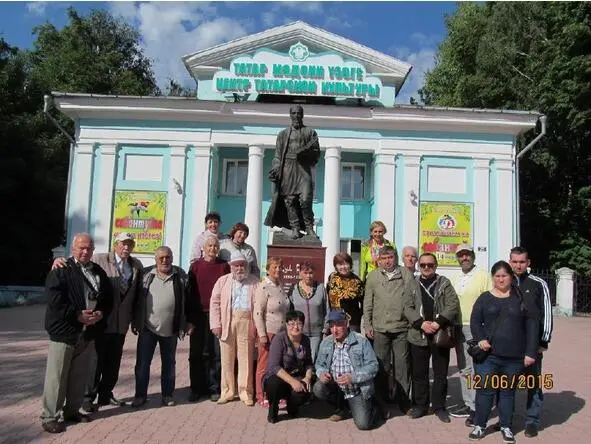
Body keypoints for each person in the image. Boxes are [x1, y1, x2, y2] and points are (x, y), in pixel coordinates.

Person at [51, 232, 143, 412]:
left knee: (113, 361)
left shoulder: (136, 265)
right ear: (115, 244)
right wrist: (58, 261)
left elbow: (138, 296)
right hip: (100, 321)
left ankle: (106, 394)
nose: (126, 247)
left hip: (121, 322)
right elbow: (79, 263)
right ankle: (88, 397)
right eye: (123, 243)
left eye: (130, 244)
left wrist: (136, 320)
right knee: (95, 361)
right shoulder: (100, 259)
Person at [40, 233, 112, 433]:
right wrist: (77, 315)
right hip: (65, 332)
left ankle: (72, 410)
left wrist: (100, 313)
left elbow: (108, 298)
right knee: (57, 377)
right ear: (73, 249)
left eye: (89, 248)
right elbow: (55, 301)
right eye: (81, 247)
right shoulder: (61, 269)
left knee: (78, 376)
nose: (85, 251)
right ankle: (50, 416)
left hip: (87, 333)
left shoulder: (98, 271)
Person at [468, 261, 539, 443]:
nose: (501, 279)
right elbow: (475, 321)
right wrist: (481, 338)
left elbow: (532, 326)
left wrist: (531, 353)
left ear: (511, 277)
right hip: (488, 356)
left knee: (507, 392)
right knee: (485, 391)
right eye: (497, 276)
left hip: (514, 357)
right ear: (493, 278)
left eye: (504, 276)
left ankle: (506, 426)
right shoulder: (485, 298)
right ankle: (479, 425)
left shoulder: (522, 298)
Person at [405, 253, 460, 423]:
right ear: (419, 266)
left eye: (430, 265)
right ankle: (420, 405)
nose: (426, 268)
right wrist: (420, 323)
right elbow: (407, 306)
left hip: (439, 335)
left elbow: (453, 304)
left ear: (435, 266)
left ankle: (439, 406)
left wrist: (437, 323)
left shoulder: (444, 282)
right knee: (419, 373)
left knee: (441, 373)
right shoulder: (412, 283)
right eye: (423, 265)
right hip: (418, 334)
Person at [131, 246, 188, 408]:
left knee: (169, 363)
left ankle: (168, 395)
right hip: (148, 328)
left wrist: (186, 323)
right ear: (155, 259)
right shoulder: (146, 275)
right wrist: (136, 321)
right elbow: (136, 300)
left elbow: (187, 300)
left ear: (172, 258)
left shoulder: (180, 276)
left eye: (168, 257)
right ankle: (140, 395)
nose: (165, 260)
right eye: (161, 257)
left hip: (171, 329)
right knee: (142, 364)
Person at [364, 245, 414, 414]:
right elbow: (368, 303)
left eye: (390, 257)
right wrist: (368, 325)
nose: (387, 261)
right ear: (379, 260)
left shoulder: (405, 274)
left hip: (401, 328)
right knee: (381, 367)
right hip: (380, 329)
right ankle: (382, 402)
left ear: (395, 258)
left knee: (402, 367)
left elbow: (411, 300)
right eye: (384, 258)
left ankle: (404, 402)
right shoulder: (372, 277)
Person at [509, 246, 553, 438]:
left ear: (528, 263)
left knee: (533, 384)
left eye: (522, 262)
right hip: (508, 345)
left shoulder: (538, 283)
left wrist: (544, 340)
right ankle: (506, 421)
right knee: (506, 384)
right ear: (510, 262)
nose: (518, 265)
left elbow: (547, 313)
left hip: (532, 344)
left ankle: (532, 422)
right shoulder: (504, 282)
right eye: (515, 261)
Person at [449, 244, 493, 424]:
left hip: (475, 328)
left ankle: (478, 406)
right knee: (464, 368)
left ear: (473, 257)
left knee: (477, 369)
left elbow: (490, 301)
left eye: (467, 255)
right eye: (461, 255)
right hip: (458, 326)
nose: (464, 258)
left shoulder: (483, 275)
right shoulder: (456, 277)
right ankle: (469, 403)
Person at [313, 311, 380, 430]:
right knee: (318, 388)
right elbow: (319, 364)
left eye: (338, 325)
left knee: (363, 424)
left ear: (346, 323)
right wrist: (322, 373)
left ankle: (374, 406)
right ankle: (342, 408)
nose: (335, 330)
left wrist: (353, 377)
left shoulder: (361, 341)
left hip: (356, 389)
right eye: (332, 326)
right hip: (336, 388)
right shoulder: (327, 342)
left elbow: (373, 365)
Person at [210, 250, 260, 406]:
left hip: (247, 321)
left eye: (242, 265)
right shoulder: (222, 281)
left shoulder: (255, 282)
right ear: (231, 267)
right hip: (227, 321)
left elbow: (259, 306)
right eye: (236, 266)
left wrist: (258, 328)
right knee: (227, 358)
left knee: (246, 358)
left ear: (246, 266)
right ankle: (227, 391)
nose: (239, 269)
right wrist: (216, 324)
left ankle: (245, 392)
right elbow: (215, 303)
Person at [264, 104, 321, 240]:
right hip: (287, 168)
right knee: (290, 200)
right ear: (290, 115)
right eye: (294, 113)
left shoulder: (310, 132)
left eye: (299, 113)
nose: (296, 116)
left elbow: (316, 153)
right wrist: (275, 169)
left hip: (302, 167)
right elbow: (278, 155)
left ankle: (309, 228)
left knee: (306, 199)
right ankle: (295, 228)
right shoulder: (283, 134)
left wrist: (307, 153)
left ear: (302, 115)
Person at [186, 235, 230, 402]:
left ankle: (214, 387)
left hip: (217, 315)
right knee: (196, 353)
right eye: (210, 245)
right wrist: (188, 319)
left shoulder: (223, 267)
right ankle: (196, 388)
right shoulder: (195, 267)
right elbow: (189, 294)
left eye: (215, 246)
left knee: (214, 353)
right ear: (203, 248)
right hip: (197, 316)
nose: (212, 248)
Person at [263, 310, 314, 423]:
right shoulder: (279, 339)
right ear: (286, 324)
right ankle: (273, 407)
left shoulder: (305, 340)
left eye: (299, 324)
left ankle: (292, 404)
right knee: (273, 384)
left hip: (297, 376)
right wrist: (293, 382)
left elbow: (309, 363)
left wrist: (307, 377)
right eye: (292, 323)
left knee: (304, 391)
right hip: (279, 377)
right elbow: (274, 366)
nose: (295, 327)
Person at [253, 257, 291, 406]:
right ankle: (261, 394)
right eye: (274, 267)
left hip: (281, 332)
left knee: (278, 365)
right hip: (269, 331)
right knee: (264, 365)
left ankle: (276, 393)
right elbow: (258, 312)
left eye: (280, 267)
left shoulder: (280, 286)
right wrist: (262, 334)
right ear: (268, 269)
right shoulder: (263, 287)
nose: (277, 270)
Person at [288, 261, 330, 361]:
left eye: (311, 273)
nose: (308, 276)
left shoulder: (320, 288)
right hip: (298, 332)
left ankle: (312, 377)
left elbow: (327, 309)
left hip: (317, 333)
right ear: (300, 273)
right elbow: (290, 311)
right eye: (305, 273)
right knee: (299, 359)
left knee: (313, 359)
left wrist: (326, 328)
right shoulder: (293, 289)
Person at [326, 252, 364, 332]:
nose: (343, 267)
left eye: (346, 264)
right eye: (340, 264)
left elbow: (363, 302)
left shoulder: (357, 281)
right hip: (335, 319)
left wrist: (359, 317)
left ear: (350, 265)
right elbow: (327, 297)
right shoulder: (332, 277)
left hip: (352, 322)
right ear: (335, 266)